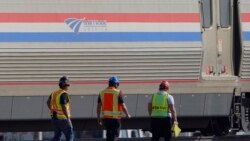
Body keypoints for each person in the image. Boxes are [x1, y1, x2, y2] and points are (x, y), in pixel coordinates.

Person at [97, 76, 131, 141]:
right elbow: (123, 105)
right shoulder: (118, 92)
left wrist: (98, 117)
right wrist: (127, 114)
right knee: (115, 136)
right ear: (115, 84)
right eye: (118, 84)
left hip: (106, 119)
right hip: (115, 119)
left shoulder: (102, 92)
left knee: (109, 136)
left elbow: (99, 106)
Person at [47, 76, 73, 141]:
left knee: (57, 136)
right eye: (68, 85)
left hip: (54, 118)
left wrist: (52, 110)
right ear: (66, 85)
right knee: (69, 135)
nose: (68, 87)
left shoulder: (54, 93)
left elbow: (47, 102)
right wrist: (68, 118)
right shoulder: (64, 94)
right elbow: (63, 106)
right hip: (63, 119)